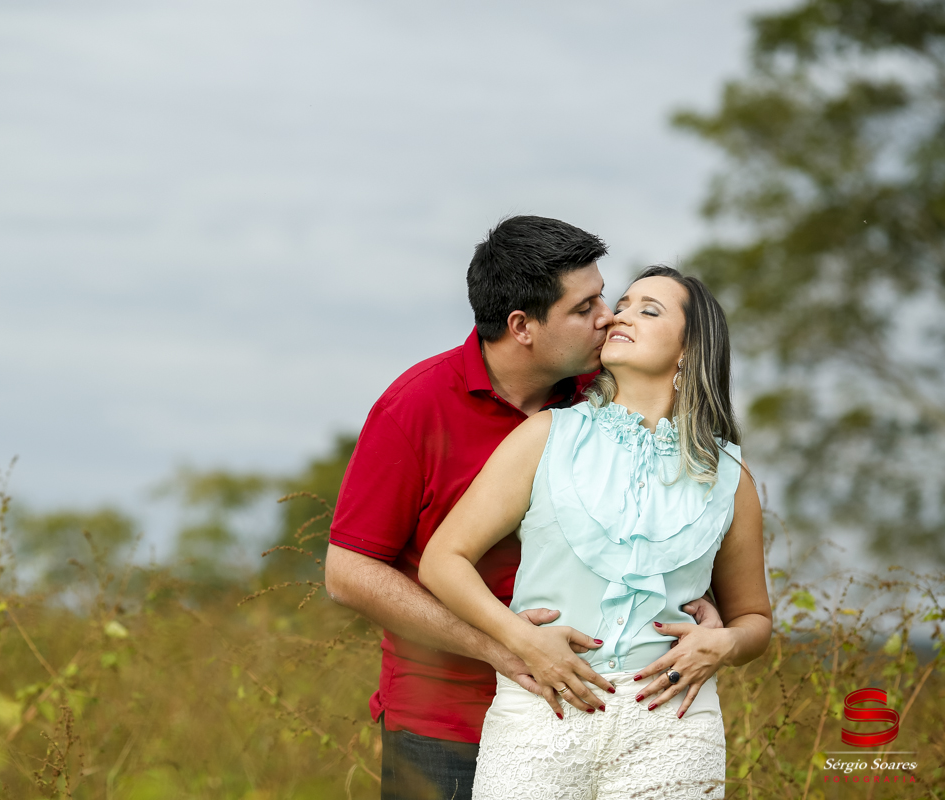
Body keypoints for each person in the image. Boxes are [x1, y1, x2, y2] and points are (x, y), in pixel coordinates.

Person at [324, 219, 724, 800]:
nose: (608, 318)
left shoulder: (605, 394)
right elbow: (349, 573)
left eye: (604, 298)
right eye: (585, 308)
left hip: (597, 716)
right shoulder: (415, 407)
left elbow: (672, 502)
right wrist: (505, 645)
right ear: (522, 327)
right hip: (445, 721)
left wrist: (696, 602)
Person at [419, 266, 773, 800]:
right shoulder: (546, 437)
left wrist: (723, 644)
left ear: (688, 352)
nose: (620, 315)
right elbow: (443, 559)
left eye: (648, 310)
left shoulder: (730, 476)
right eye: (623, 304)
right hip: (541, 713)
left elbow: (755, 619)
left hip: (673, 724)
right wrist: (521, 641)